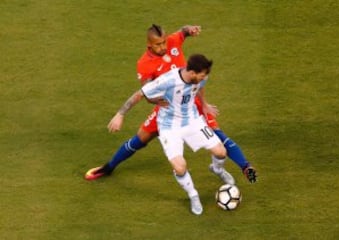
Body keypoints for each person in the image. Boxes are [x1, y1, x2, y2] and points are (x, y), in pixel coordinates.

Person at [85, 24, 256, 183]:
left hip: (192, 106)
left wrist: (191, 29)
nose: (163, 47)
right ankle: (108, 168)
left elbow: (183, 33)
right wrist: (130, 110)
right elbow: (146, 91)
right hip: (167, 111)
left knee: (218, 135)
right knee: (140, 139)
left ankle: (245, 167)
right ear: (149, 45)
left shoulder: (173, 42)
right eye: (158, 44)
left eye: (164, 42)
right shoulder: (144, 63)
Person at [107, 54, 226, 215]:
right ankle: (193, 195)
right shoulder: (168, 80)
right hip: (169, 127)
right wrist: (120, 114)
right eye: (202, 75)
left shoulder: (198, 78)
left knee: (221, 152)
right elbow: (140, 94)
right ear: (192, 73)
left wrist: (204, 105)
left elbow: (200, 86)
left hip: (192, 121)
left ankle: (217, 169)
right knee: (180, 166)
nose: (205, 78)